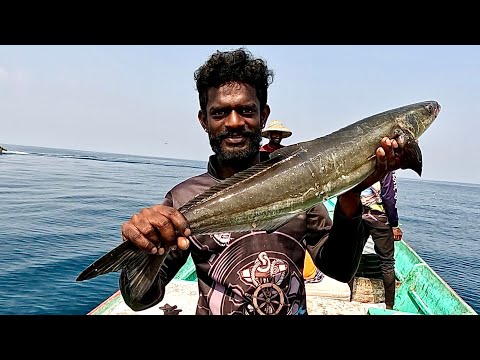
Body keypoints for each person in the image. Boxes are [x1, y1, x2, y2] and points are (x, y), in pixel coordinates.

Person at [119, 47, 406, 315]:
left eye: (246, 110)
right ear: (203, 120)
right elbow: (139, 299)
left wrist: (351, 195)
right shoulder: (183, 198)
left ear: (263, 115)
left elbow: (339, 269)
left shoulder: (299, 184)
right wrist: (149, 246)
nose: (234, 122)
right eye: (220, 112)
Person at [348, 171, 403, 310]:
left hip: (359, 215)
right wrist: (395, 225)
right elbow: (389, 198)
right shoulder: (387, 169)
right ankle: (389, 306)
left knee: (353, 257)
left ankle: (347, 297)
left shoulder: (361, 165)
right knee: (387, 262)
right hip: (379, 218)